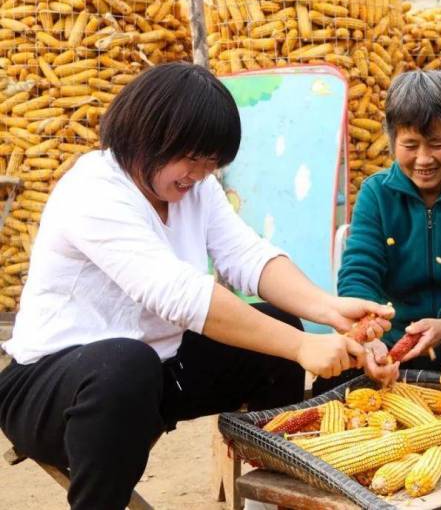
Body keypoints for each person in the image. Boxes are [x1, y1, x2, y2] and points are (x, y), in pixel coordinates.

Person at [0, 62, 393, 510]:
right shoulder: (93, 192)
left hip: (154, 370)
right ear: (148, 135)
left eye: (210, 164)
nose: (199, 174)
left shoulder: (194, 189)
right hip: (51, 390)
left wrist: (327, 309)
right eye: (191, 159)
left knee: (273, 331)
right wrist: (303, 346)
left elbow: (248, 256)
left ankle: (271, 499)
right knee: (126, 363)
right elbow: (180, 295)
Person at [314, 70, 441, 392]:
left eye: (437, 144)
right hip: (395, 344)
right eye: (410, 145)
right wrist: (371, 337)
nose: (424, 159)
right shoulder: (376, 194)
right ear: (393, 140)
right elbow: (358, 275)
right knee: (338, 379)